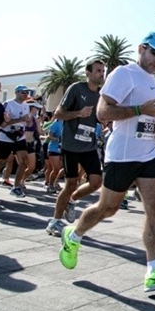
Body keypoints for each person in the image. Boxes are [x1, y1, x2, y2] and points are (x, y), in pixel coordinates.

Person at [59, 31, 155, 292]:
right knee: (107, 208)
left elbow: (148, 115)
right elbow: (103, 113)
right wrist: (141, 110)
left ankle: (153, 270)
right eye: (154, 53)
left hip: (147, 153)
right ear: (141, 49)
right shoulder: (123, 73)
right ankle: (74, 234)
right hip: (122, 155)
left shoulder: (152, 80)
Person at [46, 59, 105, 235]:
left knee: (96, 182)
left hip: (89, 146)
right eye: (98, 71)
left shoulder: (102, 96)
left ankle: (72, 200)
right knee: (71, 183)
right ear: (87, 73)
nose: (101, 74)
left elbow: (101, 118)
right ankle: (54, 221)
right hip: (71, 146)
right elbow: (58, 113)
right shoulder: (76, 89)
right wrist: (79, 113)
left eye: (103, 71)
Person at [0, 85, 31, 198]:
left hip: (19, 136)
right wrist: (21, 119)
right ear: (16, 93)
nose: (25, 94)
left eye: (27, 92)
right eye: (23, 92)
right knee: (0, 163)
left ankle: (16, 187)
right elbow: (4, 123)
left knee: (24, 161)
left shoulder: (26, 106)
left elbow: (27, 122)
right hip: (6, 136)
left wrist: (28, 122)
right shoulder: (8, 104)